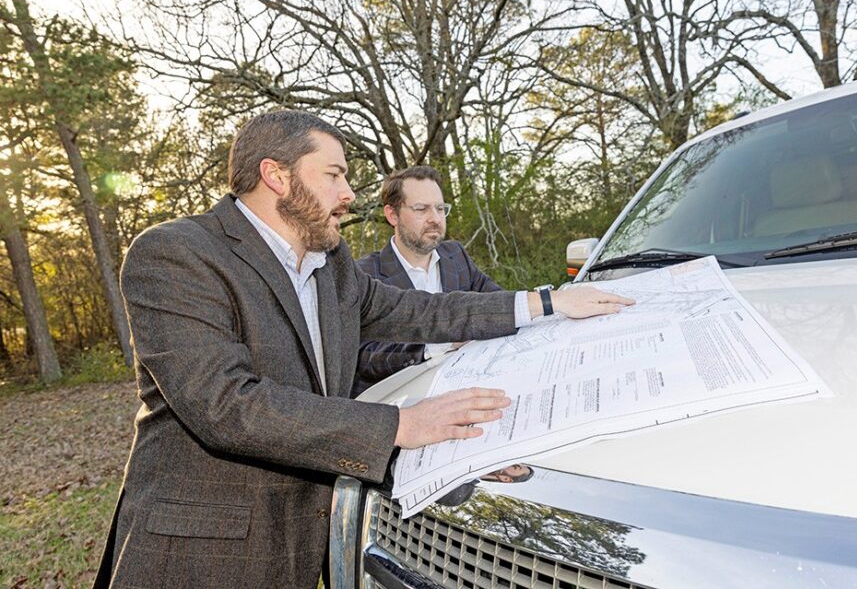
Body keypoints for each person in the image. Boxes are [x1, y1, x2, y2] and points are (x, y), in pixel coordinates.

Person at [93, 109, 633, 589]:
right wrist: (403, 425)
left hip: (302, 546)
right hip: (202, 554)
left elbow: (423, 312)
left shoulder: (331, 265)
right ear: (277, 175)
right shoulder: (177, 253)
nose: (349, 193)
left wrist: (546, 302)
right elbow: (227, 406)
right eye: (334, 175)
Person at [354, 165, 501, 395]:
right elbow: (362, 354)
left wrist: (541, 303)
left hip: (466, 384)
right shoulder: (363, 274)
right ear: (392, 215)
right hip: (401, 401)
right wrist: (443, 343)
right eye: (422, 209)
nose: (435, 219)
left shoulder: (456, 255)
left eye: (440, 209)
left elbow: (497, 301)